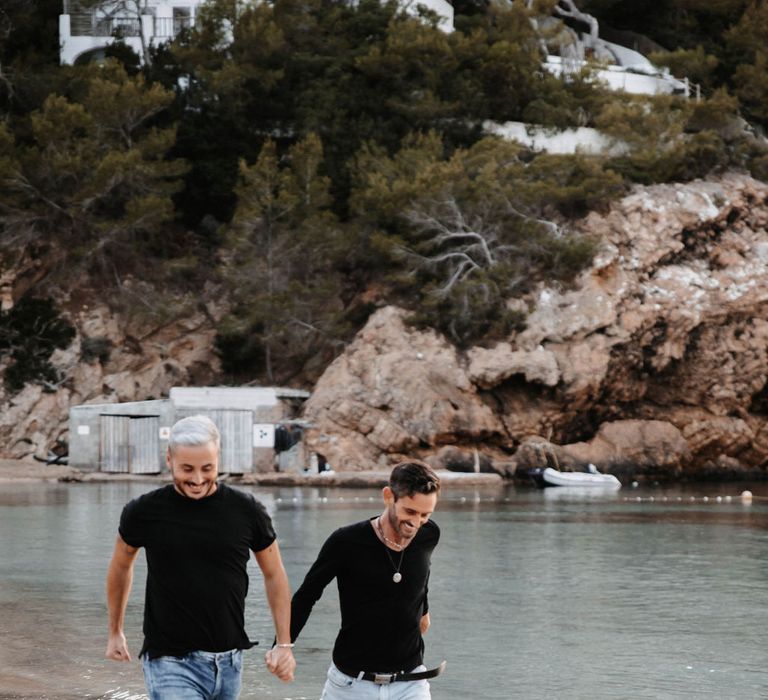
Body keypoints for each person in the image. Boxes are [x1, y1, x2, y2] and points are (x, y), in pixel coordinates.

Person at [105, 414, 296, 699]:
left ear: (219, 458)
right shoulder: (143, 512)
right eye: (187, 469)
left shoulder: (247, 510)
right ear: (169, 459)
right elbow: (121, 567)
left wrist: (284, 644)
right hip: (169, 660)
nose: (197, 479)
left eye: (208, 468)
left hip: (230, 661)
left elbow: (274, 574)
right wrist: (115, 630)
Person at [290, 460, 444, 699]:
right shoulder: (346, 542)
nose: (416, 522)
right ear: (388, 496)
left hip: (411, 684)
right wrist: (283, 646)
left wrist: (424, 609)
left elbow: (422, 571)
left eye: (425, 514)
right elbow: (306, 596)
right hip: (350, 685)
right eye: (410, 512)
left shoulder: (429, 535)